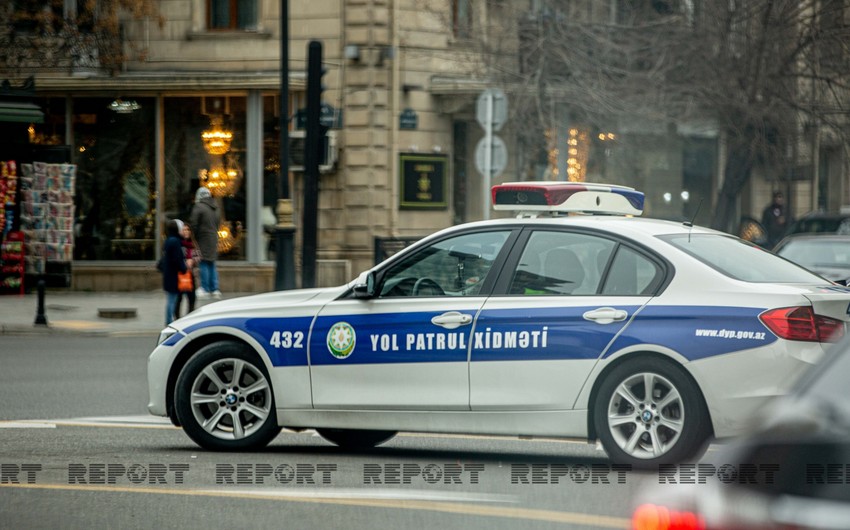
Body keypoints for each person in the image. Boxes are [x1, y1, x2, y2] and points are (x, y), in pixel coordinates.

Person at [189, 186, 221, 299]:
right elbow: (218, 223)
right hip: (213, 237)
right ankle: (215, 289)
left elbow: (193, 224)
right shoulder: (216, 207)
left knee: (203, 262)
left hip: (202, 238)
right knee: (211, 262)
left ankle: (205, 288)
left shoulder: (199, 207)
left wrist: (193, 236)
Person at [161, 219, 189, 325]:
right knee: (172, 299)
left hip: (169, 274)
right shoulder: (175, 242)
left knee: (171, 298)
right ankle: (169, 321)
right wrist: (184, 268)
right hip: (173, 275)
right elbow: (177, 259)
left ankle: (169, 319)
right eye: (181, 228)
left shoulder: (169, 240)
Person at [174, 220, 198, 319]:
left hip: (191, 274)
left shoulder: (193, 244)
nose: (186, 231)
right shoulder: (178, 243)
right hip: (180, 274)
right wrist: (184, 262)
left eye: (188, 230)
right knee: (178, 298)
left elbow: (199, 256)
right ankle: (177, 317)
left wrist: (193, 261)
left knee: (192, 297)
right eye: (184, 230)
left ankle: (189, 317)